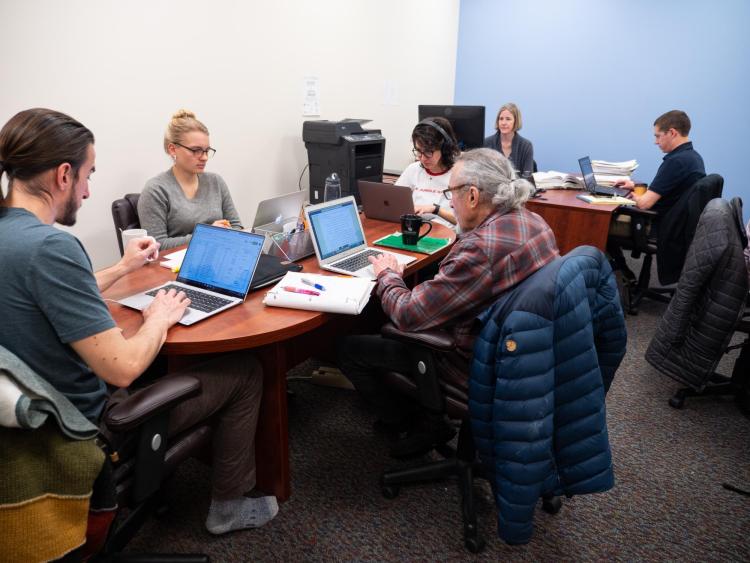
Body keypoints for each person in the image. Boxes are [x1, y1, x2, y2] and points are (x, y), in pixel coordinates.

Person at [0, 108, 277, 535]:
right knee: (245, 371)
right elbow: (124, 366)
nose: (89, 192)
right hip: (85, 426)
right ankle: (229, 506)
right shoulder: (52, 246)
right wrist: (159, 318)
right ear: (63, 175)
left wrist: (123, 268)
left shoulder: (13, 236)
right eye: (88, 175)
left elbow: (52, 287)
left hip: (30, 416)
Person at [338, 148, 559, 457]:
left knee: (350, 349)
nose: (449, 200)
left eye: (450, 192)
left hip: (472, 361)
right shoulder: (534, 221)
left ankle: (419, 423)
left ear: (472, 196)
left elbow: (408, 315)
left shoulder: (480, 249)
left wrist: (387, 274)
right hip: (523, 356)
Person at [608, 110, 706, 279]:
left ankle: (622, 276)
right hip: (676, 226)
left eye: (658, 136)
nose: (655, 142)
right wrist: (634, 186)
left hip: (658, 226)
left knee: (601, 223)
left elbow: (644, 204)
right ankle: (624, 274)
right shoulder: (693, 157)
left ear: (672, 132)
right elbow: (668, 192)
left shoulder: (675, 162)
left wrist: (627, 195)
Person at [138, 110, 243, 250]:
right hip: (173, 267)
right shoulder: (156, 189)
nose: (204, 157)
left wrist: (216, 235)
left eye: (206, 150)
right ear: (172, 149)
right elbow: (156, 245)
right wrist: (206, 234)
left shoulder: (216, 182)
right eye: (196, 150)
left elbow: (236, 226)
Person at [395, 117, 460, 228]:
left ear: (445, 148)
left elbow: (465, 223)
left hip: (446, 235)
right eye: (419, 151)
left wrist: (435, 209)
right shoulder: (413, 169)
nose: (423, 158)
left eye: (428, 152)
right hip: (416, 229)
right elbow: (393, 200)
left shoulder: (459, 174)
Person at [483, 102, 534, 179]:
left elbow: (527, 178)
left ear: (516, 122)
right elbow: (482, 175)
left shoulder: (526, 145)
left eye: (508, 119)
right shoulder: (486, 143)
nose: (503, 123)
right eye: (501, 119)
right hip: (493, 189)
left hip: (518, 189)